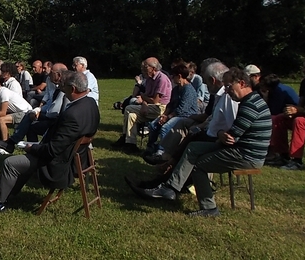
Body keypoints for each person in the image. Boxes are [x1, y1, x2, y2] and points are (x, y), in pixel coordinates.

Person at [131, 67, 271, 217]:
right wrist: (221, 134)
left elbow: (232, 137)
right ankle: (170, 188)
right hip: (241, 150)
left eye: (229, 86)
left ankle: (209, 208)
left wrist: (221, 134)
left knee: (199, 166)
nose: (227, 90)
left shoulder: (249, 105)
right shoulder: (252, 100)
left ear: (242, 83)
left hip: (245, 156)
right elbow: (230, 135)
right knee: (192, 147)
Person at [0, 71, 100, 212]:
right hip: (77, 156)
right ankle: (7, 194)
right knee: (21, 161)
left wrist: (32, 148)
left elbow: (52, 150)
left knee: (10, 163)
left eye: (64, 87)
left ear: (73, 89)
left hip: (59, 162)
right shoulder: (90, 103)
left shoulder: (73, 114)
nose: (61, 89)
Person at [0, 62, 69, 154]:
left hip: (57, 121)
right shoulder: (54, 84)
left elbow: (53, 111)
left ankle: (13, 144)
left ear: (59, 75)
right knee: (30, 117)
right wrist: (37, 110)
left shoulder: (65, 90)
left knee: (30, 120)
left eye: (51, 72)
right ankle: (27, 151)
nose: (48, 74)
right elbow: (50, 102)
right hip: (52, 115)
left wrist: (39, 112)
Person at [114, 57, 172, 154]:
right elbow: (147, 97)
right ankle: (131, 144)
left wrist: (144, 98)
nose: (143, 69)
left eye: (145, 67)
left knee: (128, 108)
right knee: (132, 116)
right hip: (151, 106)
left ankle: (125, 138)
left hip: (161, 108)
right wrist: (144, 103)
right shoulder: (149, 79)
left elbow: (155, 100)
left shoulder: (162, 79)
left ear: (153, 68)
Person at [144, 62, 199, 159]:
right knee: (153, 125)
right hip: (174, 114)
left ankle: (162, 152)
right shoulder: (176, 89)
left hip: (186, 116)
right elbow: (170, 104)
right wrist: (164, 115)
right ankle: (150, 147)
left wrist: (168, 117)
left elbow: (182, 109)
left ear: (179, 76)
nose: (172, 79)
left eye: (173, 76)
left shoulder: (188, 90)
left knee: (165, 127)